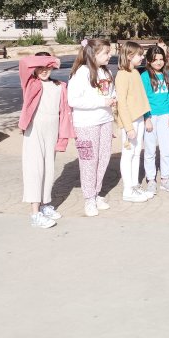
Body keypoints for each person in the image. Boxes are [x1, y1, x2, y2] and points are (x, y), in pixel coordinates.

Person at [19, 53, 74, 228]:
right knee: (35, 169)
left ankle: (44, 205)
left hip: (52, 130)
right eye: (40, 67)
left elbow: (64, 112)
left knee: (48, 168)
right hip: (34, 130)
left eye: (48, 67)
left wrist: (62, 136)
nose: (44, 70)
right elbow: (23, 63)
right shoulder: (30, 83)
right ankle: (34, 213)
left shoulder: (59, 86)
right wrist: (46, 61)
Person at [68, 38, 116, 217]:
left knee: (103, 158)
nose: (110, 55)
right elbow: (73, 100)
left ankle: (96, 193)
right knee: (89, 161)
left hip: (105, 121)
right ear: (94, 54)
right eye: (106, 52)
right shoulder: (81, 73)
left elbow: (110, 92)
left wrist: (112, 99)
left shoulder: (106, 72)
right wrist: (101, 102)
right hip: (86, 124)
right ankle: (88, 198)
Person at [115, 41, 152, 203]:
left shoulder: (135, 73)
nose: (142, 58)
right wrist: (128, 127)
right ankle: (127, 189)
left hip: (139, 119)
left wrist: (146, 117)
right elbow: (121, 103)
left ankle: (135, 185)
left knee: (137, 153)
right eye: (140, 55)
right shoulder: (122, 75)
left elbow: (141, 98)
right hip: (129, 121)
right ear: (129, 56)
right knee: (128, 154)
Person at [140, 45, 169, 192]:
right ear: (149, 61)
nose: (159, 62)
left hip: (164, 117)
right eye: (155, 60)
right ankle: (150, 180)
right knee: (150, 150)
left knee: (166, 149)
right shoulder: (144, 76)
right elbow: (143, 99)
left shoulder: (168, 74)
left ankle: (165, 179)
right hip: (151, 117)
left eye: (161, 59)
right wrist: (147, 118)